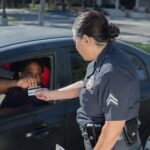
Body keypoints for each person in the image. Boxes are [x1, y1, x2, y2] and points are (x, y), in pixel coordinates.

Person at [35, 11, 142, 150]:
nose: (75, 47)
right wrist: (51, 94)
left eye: (75, 41)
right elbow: (87, 85)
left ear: (86, 39)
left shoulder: (114, 71)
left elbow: (113, 127)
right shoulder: (100, 59)